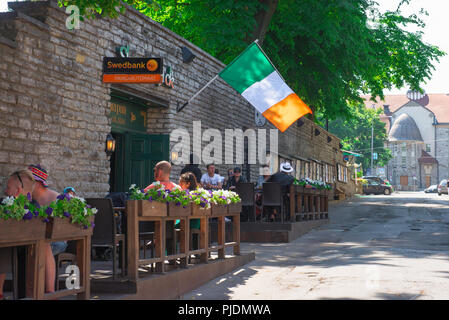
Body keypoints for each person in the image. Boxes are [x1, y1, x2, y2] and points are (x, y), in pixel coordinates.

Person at [0, 169, 36, 300]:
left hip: (15, 252)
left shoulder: (5, 205)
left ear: (18, 190)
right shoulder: (35, 209)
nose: (5, 191)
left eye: (8, 187)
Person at [28, 164, 63, 294]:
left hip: (57, 240)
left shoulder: (55, 197)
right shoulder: (27, 197)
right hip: (34, 238)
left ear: (37, 183)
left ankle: (49, 292)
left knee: (43, 245)